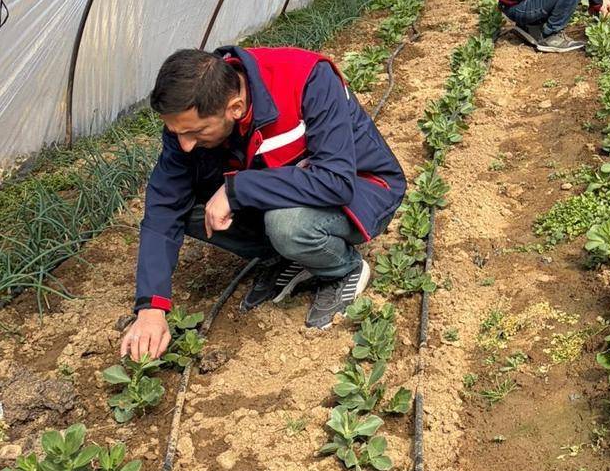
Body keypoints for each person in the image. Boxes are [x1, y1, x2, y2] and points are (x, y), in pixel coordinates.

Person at [119, 45, 405, 357]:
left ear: (235, 108)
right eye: (176, 132)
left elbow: (336, 182)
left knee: (287, 225)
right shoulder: (189, 120)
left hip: (363, 190)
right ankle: (289, 258)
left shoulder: (307, 79)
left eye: (195, 132)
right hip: (286, 192)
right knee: (188, 210)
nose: (185, 144)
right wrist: (151, 307)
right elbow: (164, 204)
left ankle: (343, 269)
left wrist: (237, 189)